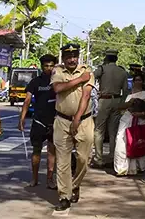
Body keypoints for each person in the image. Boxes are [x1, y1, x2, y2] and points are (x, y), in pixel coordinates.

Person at [51, 42, 95, 212]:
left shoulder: (87, 70)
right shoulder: (58, 71)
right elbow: (57, 88)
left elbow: (86, 95)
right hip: (62, 121)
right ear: (63, 58)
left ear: (78, 57)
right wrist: (79, 80)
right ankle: (64, 196)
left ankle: (75, 185)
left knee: (84, 159)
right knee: (62, 161)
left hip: (83, 121)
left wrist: (77, 119)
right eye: (68, 57)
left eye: (74, 56)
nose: (71, 59)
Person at [19, 54, 58, 189]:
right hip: (38, 121)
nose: (48, 68)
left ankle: (50, 179)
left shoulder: (58, 81)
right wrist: (22, 119)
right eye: (46, 66)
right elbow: (27, 100)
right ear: (41, 66)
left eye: (51, 65)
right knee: (36, 151)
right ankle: (34, 178)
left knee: (52, 152)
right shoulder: (35, 82)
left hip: (54, 121)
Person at [91, 50, 128, 168]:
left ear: (106, 58)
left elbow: (91, 78)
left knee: (99, 130)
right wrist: (122, 104)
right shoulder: (122, 72)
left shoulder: (102, 69)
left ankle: (99, 158)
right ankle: (113, 158)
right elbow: (126, 91)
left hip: (104, 100)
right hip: (117, 100)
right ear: (116, 59)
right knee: (113, 131)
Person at [114, 74, 145, 176]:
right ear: (133, 82)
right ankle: (121, 168)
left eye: (139, 80)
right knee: (121, 141)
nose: (138, 82)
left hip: (141, 121)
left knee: (139, 142)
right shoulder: (128, 94)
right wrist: (130, 103)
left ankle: (138, 168)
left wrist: (141, 114)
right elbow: (119, 106)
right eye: (136, 80)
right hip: (127, 119)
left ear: (142, 82)